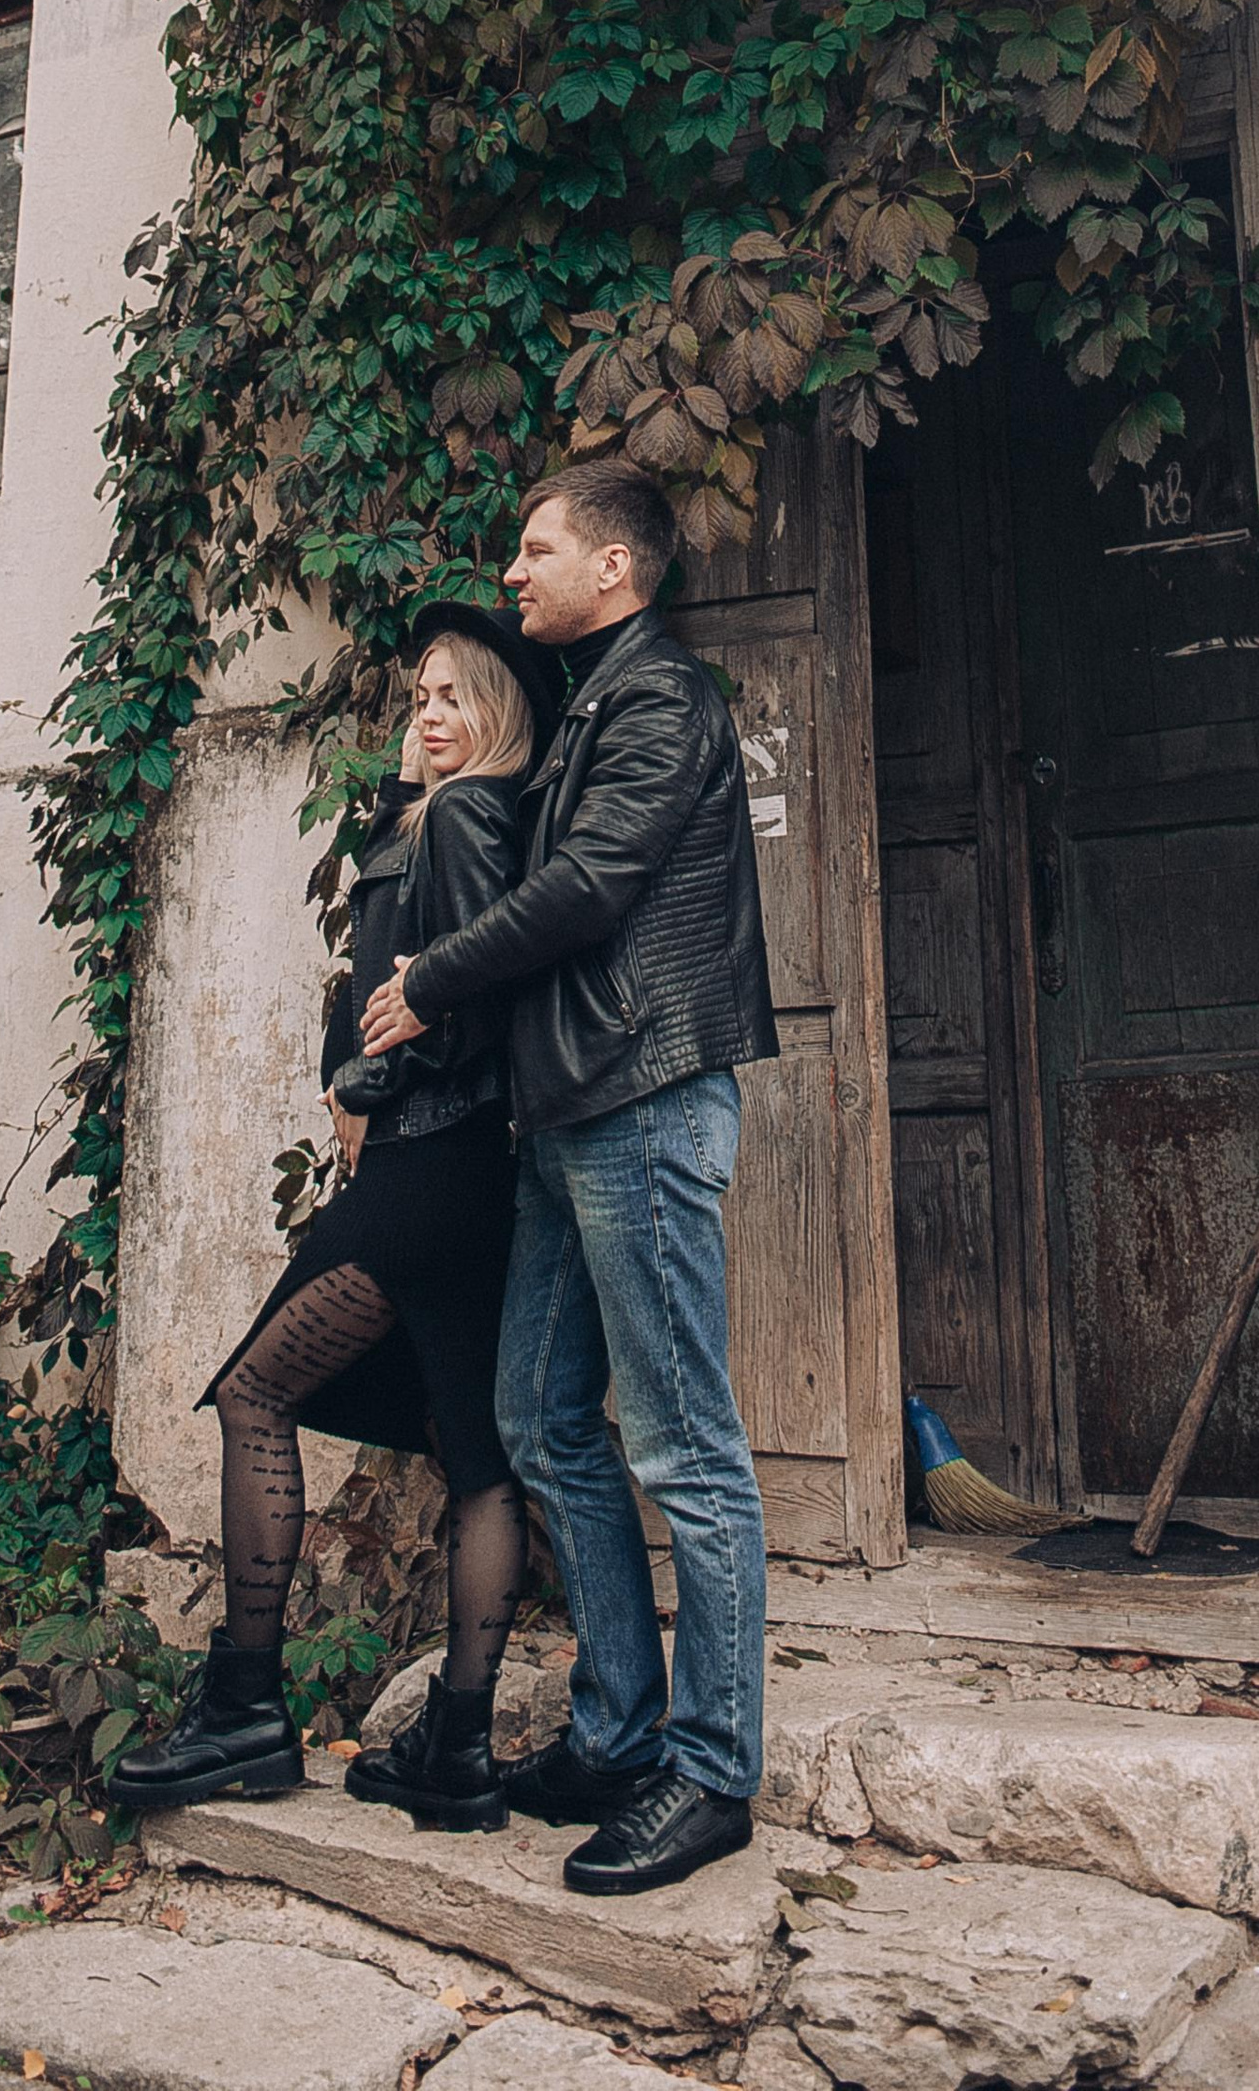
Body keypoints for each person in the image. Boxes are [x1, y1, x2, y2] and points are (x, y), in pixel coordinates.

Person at [360, 460, 777, 1900]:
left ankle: (712, 1768)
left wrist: (428, 980)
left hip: (645, 1099)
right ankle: (615, 1732)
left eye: (538, 548)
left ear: (617, 566)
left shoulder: (662, 696)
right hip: (571, 1112)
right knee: (543, 1415)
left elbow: (593, 886)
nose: (514, 568)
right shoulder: (593, 704)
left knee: (684, 1442)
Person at [106, 601, 563, 1831]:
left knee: (256, 1393)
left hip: (424, 1167)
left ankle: (244, 1708)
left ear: (499, 717)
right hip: (466, 1171)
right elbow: (382, 983)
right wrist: (347, 1059)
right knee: (478, 1457)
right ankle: (456, 1754)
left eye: (454, 695)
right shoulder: (429, 816)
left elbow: (463, 995)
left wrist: (365, 1084)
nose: (426, 712)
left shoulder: (465, 814)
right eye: (418, 695)